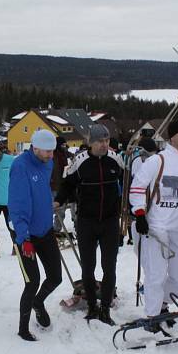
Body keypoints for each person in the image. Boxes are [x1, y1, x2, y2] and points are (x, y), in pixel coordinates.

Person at [129, 119, 178, 327]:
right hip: (156, 226)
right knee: (156, 274)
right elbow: (137, 188)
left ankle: (162, 304)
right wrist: (140, 214)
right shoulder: (157, 161)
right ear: (172, 136)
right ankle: (152, 316)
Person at [55, 124, 123, 325]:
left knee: (109, 266)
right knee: (88, 267)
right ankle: (92, 306)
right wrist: (58, 201)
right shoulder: (80, 161)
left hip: (110, 221)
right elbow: (67, 184)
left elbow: (126, 181)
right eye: (100, 141)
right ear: (90, 142)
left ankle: (105, 309)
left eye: (107, 141)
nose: (104, 145)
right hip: (86, 221)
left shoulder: (115, 159)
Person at [9, 129, 63, 341]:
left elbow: (42, 190)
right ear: (35, 148)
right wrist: (24, 239)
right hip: (26, 236)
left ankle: (38, 302)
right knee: (32, 282)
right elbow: (17, 205)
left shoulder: (47, 162)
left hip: (45, 230)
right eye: (48, 152)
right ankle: (23, 329)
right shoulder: (20, 166)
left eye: (53, 151)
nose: (51, 156)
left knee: (56, 277)